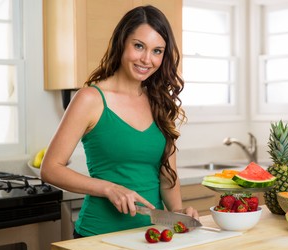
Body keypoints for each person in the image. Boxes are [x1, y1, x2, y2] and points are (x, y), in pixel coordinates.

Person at [40, 5, 198, 237]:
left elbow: (167, 177)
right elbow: (50, 169)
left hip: (153, 236)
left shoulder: (160, 102)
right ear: (122, 42)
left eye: (157, 51)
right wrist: (109, 188)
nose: (146, 59)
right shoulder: (90, 99)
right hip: (98, 235)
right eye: (138, 46)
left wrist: (178, 212)